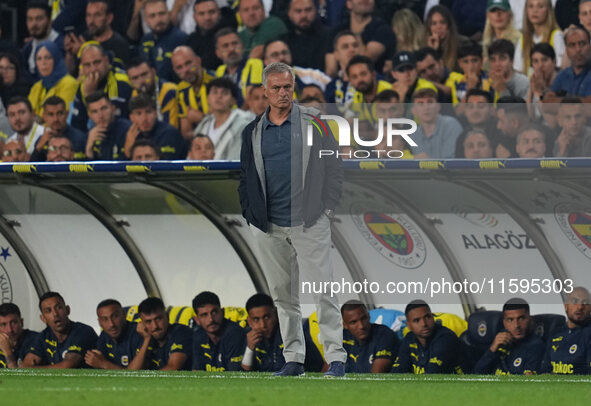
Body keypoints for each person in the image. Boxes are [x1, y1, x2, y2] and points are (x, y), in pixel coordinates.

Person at [238, 62, 347, 377]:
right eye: (276, 88)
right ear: (265, 92)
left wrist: (326, 209)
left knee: (323, 290)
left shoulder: (316, 123)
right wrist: (251, 214)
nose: (283, 92)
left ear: (293, 87)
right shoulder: (253, 131)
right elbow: (245, 178)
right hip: (269, 226)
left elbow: (334, 168)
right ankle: (294, 360)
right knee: (283, 296)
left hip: (309, 221)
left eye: (288, 87)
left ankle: (336, 358)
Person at [22, 292, 97, 368]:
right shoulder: (43, 336)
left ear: (67, 310)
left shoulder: (83, 331)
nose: (55, 314)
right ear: (43, 318)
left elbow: (67, 366)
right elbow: (26, 365)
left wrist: (34, 370)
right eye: (48, 311)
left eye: (59, 307)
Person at [70, 43, 133, 132]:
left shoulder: (123, 83)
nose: (93, 69)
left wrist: (90, 96)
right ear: (82, 68)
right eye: (88, 65)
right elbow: (77, 127)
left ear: (106, 60)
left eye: (97, 62)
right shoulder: (82, 86)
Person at [474, 298, 545, 375]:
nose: (516, 325)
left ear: (530, 319)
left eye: (521, 319)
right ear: (504, 323)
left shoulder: (535, 347)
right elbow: (477, 373)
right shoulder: (500, 339)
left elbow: (525, 383)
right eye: (510, 320)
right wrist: (492, 349)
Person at [392, 300, 465, 374]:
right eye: (417, 320)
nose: (424, 324)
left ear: (433, 317)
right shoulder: (409, 339)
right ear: (408, 325)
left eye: (427, 317)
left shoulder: (445, 338)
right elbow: (398, 371)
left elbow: (433, 375)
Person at [192, 78, 253, 160]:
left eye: (225, 93)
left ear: (233, 100)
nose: (219, 96)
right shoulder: (204, 124)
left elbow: (236, 160)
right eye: (215, 92)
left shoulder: (243, 125)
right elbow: (191, 156)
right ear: (208, 99)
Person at [65, 0, 131, 72]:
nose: (91, 21)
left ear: (109, 18)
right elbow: (70, 72)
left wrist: (84, 51)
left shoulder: (120, 45)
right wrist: (69, 54)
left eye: (97, 15)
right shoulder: (83, 38)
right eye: (88, 15)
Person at [132, 297, 192, 370]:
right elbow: (133, 372)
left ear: (167, 316)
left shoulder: (181, 332)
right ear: (142, 324)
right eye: (148, 322)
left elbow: (173, 368)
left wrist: (144, 381)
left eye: (158, 319)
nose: (155, 326)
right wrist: (147, 340)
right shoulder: (143, 336)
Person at [191, 291, 246, 371]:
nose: (211, 319)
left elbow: (234, 379)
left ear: (223, 312)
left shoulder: (235, 334)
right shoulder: (198, 335)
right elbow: (197, 373)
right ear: (197, 320)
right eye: (204, 315)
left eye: (214, 312)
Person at [542, 287, 591, 374]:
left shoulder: (588, 333)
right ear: (566, 306)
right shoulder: (555, 333)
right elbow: (545, 370)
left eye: (585, 303)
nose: (580, 307)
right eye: (575, 301)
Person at [84, 299, 145, 369]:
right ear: (99, 322)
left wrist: (104, 364)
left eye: (115, 316)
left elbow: (136, 376)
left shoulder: (138, 333)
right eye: (105, 319)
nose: (111, 324)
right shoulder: (104, 336)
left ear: (124, 315)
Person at [341, 301, 399, 373]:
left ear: (369, 316)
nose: (361, 326)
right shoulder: (341, 338)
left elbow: (375, 376)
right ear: (345, 325)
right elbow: (329, 370)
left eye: (364, 318)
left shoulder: (385, 335)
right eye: (353, 322)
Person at [124, 94, 186, 160]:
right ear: (131, 117)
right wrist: (128, 150)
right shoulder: (127, 134)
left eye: (148, 112)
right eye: (139, 113)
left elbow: (166, 166)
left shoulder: (169, 133)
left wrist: (129, 153)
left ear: (156, 113)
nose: (144, 118)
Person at [140, 0, 188, 82]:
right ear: (146, 20)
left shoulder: (182, 39)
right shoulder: (144, 40)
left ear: (169, 14)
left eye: (161, 14)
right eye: (152, 16)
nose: (158, 19)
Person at [28, 40, 78, 118]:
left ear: (56, 59)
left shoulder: (69, 83)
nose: (43, 63)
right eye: (39, 59)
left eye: (48, 58)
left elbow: (63, 117)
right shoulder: (36, 87)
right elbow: (28, 116)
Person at [172, 46, 213, 139]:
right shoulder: (181, 89)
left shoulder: (215, 82)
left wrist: (201, 119)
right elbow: (186, 133)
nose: (185, 70)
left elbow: (223, 125)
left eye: (188, 63)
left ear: (198, 61)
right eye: (179, 67)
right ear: (175, 71)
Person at [214, 28, 263, 106]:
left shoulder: (255, 64)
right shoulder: (220, 71)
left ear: (242, 46)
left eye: (235, 43)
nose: (231, 49)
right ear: (218, 53)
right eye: (225, 46)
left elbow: (253, 98)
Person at [513, 0, 565, 75]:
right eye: (531, 6)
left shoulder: (556, 36)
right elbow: (518, 72)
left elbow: (560, 70)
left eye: (540, 6)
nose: (535, 11)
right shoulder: (523, 39)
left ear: (548, 10)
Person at [410, 88, 463, 159]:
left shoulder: (451, 125)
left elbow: (449, 162)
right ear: (414, 111)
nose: (426, 108)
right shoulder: (414, 135)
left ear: (438, 107)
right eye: (420, 103)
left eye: (430, 102)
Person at [127, 58, 179, 129]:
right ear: (130, 81)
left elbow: (171, 129)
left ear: (154, 72)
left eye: (144, 74)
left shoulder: (169, 91)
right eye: (135, 78)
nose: (141, 81)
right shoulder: (135, 93)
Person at [31, 96, 86, 162]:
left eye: (60, 113)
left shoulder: (80, 138)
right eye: (51, 114)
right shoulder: (41, 141)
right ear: (44, 116)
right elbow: (33, 169)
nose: (56, 119)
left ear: (67, 114)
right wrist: (38, 148)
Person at [186, 0, 237, 71]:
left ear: (219, 13)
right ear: (194, 17)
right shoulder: (190, 40)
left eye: (211, 12)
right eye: (201, 14)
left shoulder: (230, 35)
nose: (207, 18)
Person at [22, 1, 64, 83]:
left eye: (39, 19)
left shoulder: (62, 45)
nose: (34, 24)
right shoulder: (27, 49)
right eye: (30, 19)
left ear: (49, 21)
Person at [283, 0, 331, 71]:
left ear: (315, 10)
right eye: (298, 11)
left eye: (308, 10)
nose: (304, 15)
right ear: (289, 14)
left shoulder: (329, 36)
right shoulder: (283, 42)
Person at [241, 293, 283, 372]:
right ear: (250, 322)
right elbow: (244, 374)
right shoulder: (248, 337)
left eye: (267, 317)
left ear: (276, 315)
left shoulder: (288, 335)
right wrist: (249, 349)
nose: (263, 325)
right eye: (256, 319)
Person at [547, 26, 591, 99]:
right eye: (572, 45)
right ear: (566, 50)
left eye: (582, 44)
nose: (578, 49)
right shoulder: (562, 76)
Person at [346, 55, 393, 126]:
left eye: (363, 74)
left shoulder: (389, 91)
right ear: (350, 81)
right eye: (354, 77)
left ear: (373, 74)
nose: (360, 80)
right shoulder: (357, 96)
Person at [84, 92, 131, 160]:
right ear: (90, 116)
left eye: (104, 108)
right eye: (95, 111)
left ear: (113, 109)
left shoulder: (127, 130)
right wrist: (89, 149)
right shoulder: (89, 137)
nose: (100, 116)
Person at [445, 40, 493, 105]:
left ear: (482, 61)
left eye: (474, 60)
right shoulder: (455, 80)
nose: (471, 66)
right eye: (465, 62)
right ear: (460, 64)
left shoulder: (492, 80)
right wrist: (470, 89)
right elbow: (458, 112)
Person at [324, 31, 360, 113]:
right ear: (336, 55)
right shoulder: (331, 87)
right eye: (345, 47)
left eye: (355, 45)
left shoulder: (372, 80)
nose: (352, 49)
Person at [482, 0, 522, 70]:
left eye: (502, 10)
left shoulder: (519, 39)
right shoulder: (486, 42)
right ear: (488, 15)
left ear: (510, 14)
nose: (498, 14)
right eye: (493, 10)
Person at [0, 303, 38, 368]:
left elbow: (17, 377)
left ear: (21, 322)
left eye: (14, 323)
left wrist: (7, 351)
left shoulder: (36, 340)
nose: (9, 330)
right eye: (3, 324)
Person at [425, 5, 462, 71]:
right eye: (434, 23)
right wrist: (432, 51)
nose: (439, 27)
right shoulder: (424, 48)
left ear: (448, 25)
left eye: (442, 22)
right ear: (429, 27)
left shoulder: (461, 45)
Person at [526, 43, 557, 118]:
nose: (540, 66)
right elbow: (530, 117)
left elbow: (552, 123)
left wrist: (538, 93)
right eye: (536, 61)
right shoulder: (537, 83)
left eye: (544, 60)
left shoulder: (561, 84)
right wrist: (531, 89)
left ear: (554, 62)